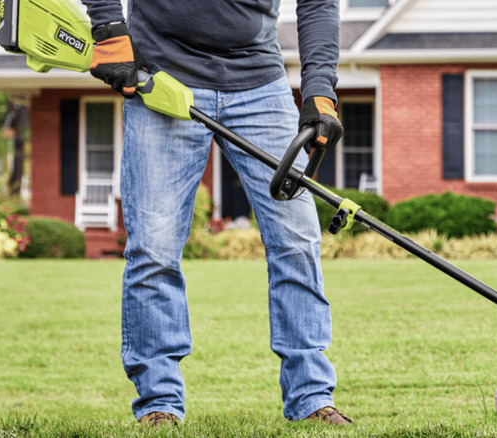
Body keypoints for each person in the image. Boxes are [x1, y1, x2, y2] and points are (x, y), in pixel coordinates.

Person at [80, 0, 350, 427]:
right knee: (153, 246)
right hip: (162, 74)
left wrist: (319, 86)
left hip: (260, 81)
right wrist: (109, 27)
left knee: (297, 240)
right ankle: (159, 403)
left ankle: (311, 396)